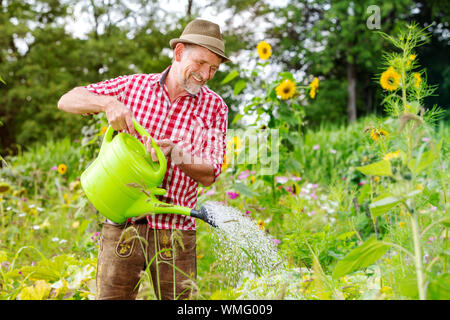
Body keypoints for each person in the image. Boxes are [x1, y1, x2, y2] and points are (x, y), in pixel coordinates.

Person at [57, 19, 229, 300]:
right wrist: (108, 103)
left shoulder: (215, 107)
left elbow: (210, 173)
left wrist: (176, 152)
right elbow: (67, 99)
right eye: (200, 63)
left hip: (175, 234)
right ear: (179, 52)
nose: (206, 74)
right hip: (124, 225)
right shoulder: (134, 86)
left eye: (213, 68)